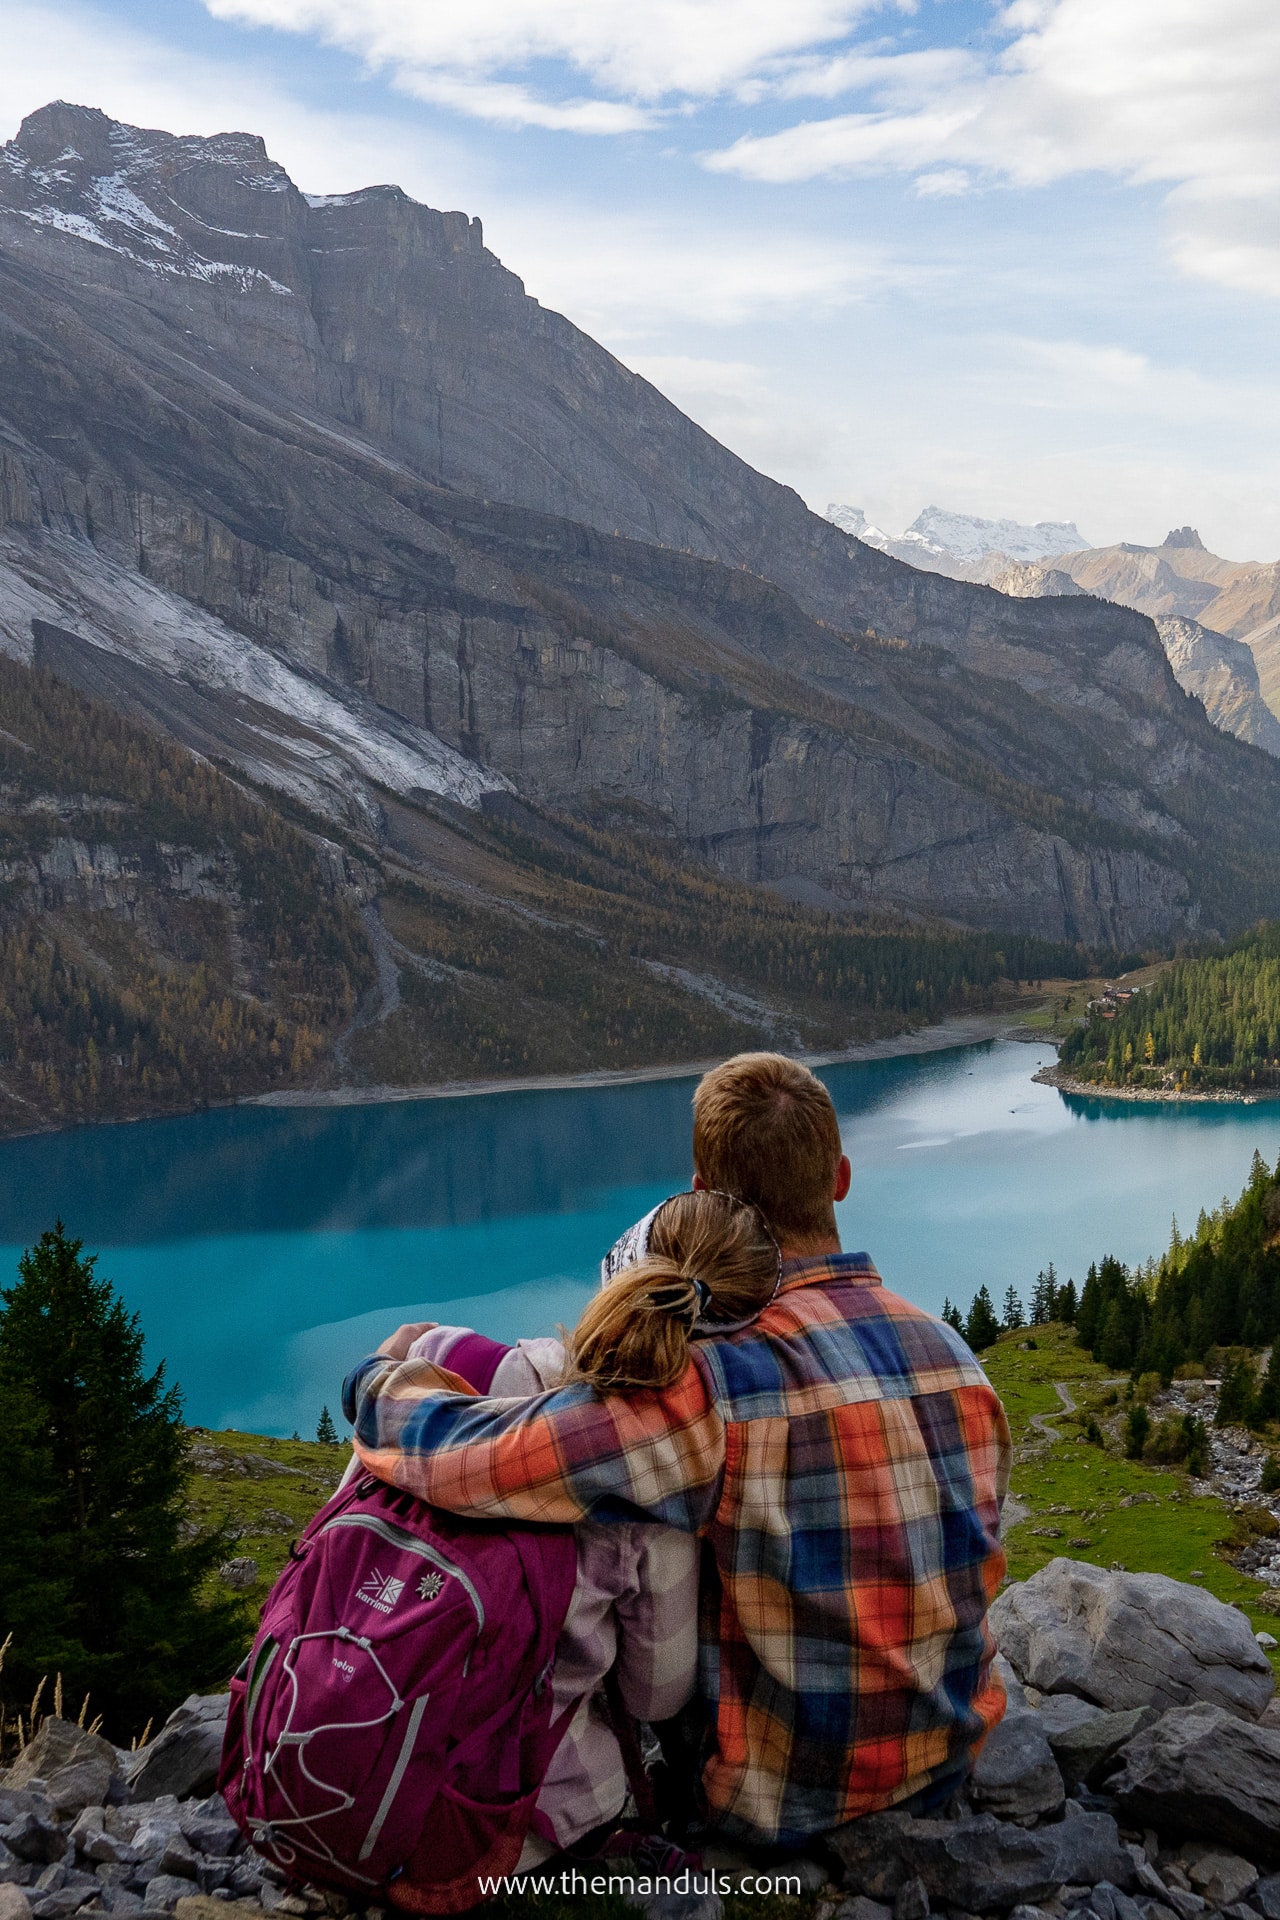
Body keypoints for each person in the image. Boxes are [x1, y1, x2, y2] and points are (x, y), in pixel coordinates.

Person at [344, 1052, 1010, 1853]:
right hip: (945, 1760)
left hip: (781, 1800)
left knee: (595, 1520)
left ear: (701, 1193)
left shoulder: (711, 1383)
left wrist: (379, 1383)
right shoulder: (957, 1361)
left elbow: (482, 1462)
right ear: (839, 1178)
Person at [404, 1188, 781, 1868]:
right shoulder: (661, 1490)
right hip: (495, 1807)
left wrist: (377, 1377)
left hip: (320, 1738)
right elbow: (655, 1692)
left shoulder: (449, 1360)